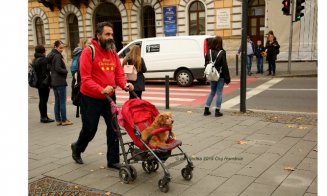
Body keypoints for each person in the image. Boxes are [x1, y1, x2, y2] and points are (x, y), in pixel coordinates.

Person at [70, 21, 134, 169]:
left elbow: (118, 74)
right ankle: (77, 147)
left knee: (114, 129)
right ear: (98, 35)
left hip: (109, 98)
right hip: (90, 99)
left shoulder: (112, 52)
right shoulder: (88, 52)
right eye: (107, 34)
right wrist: (100, 89)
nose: (111, 37)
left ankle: (112, 160)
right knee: (90, 129)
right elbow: (85, 80)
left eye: (112, 34)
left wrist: (124, 85)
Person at [47, 40, 73, 126]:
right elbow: (58, 68)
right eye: (60, 48)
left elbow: (50, 67)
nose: (62, 49)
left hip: (54, 81)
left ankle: (58, 120)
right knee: (62, 101)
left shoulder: (51, 55)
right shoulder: (57, 56)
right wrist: (65, 71)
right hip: (60, 81)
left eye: (63, 48)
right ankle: (64, 120)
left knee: (57, 101)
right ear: (55, 47)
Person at [204, 36, 231, 117]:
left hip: (212, 74)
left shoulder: (209, 51)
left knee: (212, 91)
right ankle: (217, 111)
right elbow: (224, 66)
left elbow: (206, 63)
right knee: (219, 92)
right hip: (220, 75)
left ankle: (206, 109)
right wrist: (227, 78)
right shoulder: (222, 52)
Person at [33, 45, 54, 123]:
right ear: (43, 51)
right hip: (44, 83)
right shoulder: (43, 60)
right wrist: (49, 84)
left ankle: (43, 116)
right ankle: (44, 117)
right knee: (44, 100)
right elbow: (46, 73)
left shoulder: (34, 60)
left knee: (41, 100)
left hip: (38, 83)